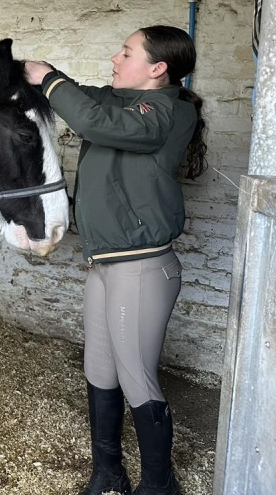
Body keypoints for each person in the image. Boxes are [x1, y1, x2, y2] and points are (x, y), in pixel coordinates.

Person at [24, 26, 207, 495]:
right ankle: (108, 473)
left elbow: (92, 121)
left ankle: (159, 485)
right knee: (99, 369)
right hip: (106, 263)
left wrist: (50, 81)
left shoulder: (166, 111)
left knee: (136, 376)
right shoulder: (123, 101)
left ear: (157, 68)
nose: (114, 57)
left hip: (143, 267)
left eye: (126, 52)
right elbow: (89, 100)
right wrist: (35, 74)